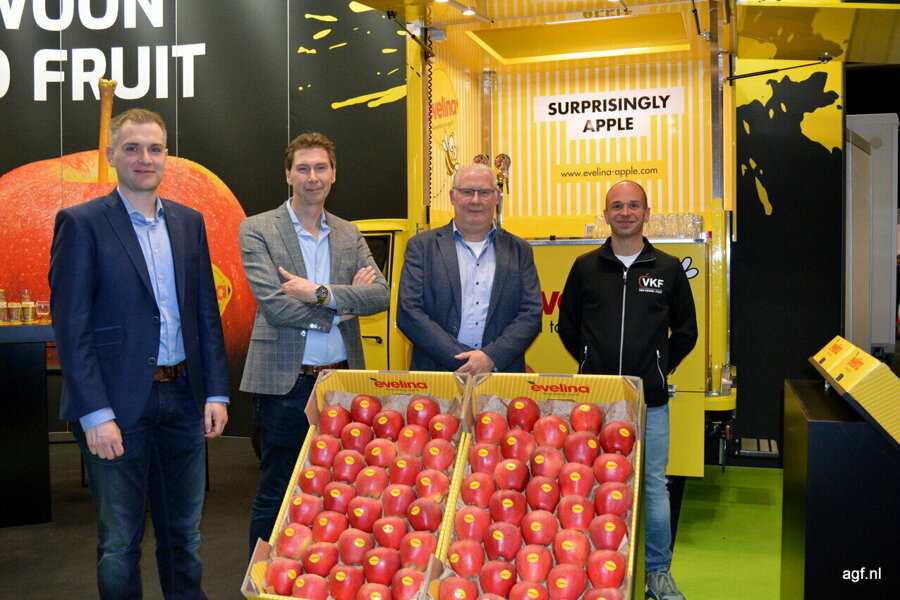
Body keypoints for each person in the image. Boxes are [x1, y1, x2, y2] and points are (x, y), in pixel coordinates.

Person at [49, 108, 230, 599]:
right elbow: (72, 329)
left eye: (154, 148)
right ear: (112, 156)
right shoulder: (81, 224)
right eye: (132, 148)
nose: (144, 158)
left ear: (166, 155)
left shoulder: (189, 224)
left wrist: (216, 390)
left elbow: (204, 315)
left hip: (185, 401)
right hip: (116, 409)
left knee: (184, 537)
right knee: (119, 544)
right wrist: (94, 413)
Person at [239, 132, 389, 554]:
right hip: (287, 385)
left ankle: (320, 576)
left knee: (342, 488)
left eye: (321, 168)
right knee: (279, 490)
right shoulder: (258, 230)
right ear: (288, 175)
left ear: (334, 174)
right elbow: (276, 307)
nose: (312, 177)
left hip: (343, 383)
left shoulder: (348, 232)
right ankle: (263, 579)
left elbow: (379, 294)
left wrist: (319, 293)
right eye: (303, 168)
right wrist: (344, 303)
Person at [557, 180, 697, 600]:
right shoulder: (584, 266)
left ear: (646, 212)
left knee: (654, 486)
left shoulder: (668, 268)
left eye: (633, 205)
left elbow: (685, 331)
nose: (625, 212)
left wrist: (657, 368)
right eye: (617, 206)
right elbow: (567, 325)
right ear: (606, 214)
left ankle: (657, 573)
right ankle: (587, 567)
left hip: (648, 400)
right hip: (594, 403)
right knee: (587, 485)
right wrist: (588, 360)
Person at [397, 163, 541, 373]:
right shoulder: (422, 247)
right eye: (466, 192)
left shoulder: (520, 250)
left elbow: (531, 313)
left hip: (500, 374)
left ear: (497, 198)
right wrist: (465, 362)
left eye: (484, 192)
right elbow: (409, 313)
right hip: (438, 375)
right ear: (452, 196)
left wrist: (491, 357)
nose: (475, 200)